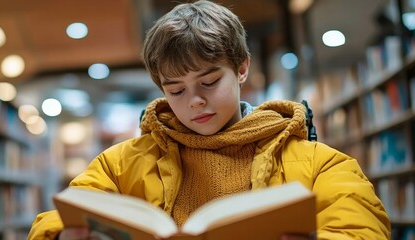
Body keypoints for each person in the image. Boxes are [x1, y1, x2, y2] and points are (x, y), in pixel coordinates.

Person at [28, 0, 391, 239]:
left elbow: (361, 228)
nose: (195, 100)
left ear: (242, 68)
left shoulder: (320, 164)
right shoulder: (118, 164)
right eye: (176, 90)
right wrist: (62, 235)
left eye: (210, 82)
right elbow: (55, 218)